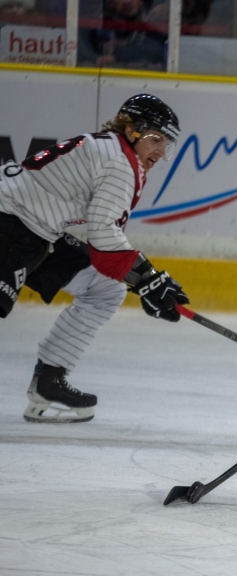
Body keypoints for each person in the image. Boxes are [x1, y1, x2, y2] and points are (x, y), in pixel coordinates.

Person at [0, 94, 189, 423]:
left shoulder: (114, 150)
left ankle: (49, 382)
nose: (161, 151)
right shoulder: (120, 163)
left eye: (167, 143)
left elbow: (104, 241)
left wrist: (145, 279)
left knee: (105, 289)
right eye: (155, 139)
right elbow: (103, 236)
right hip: (9, 223)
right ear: (131, 130)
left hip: (36, 229)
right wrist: (148, 277)